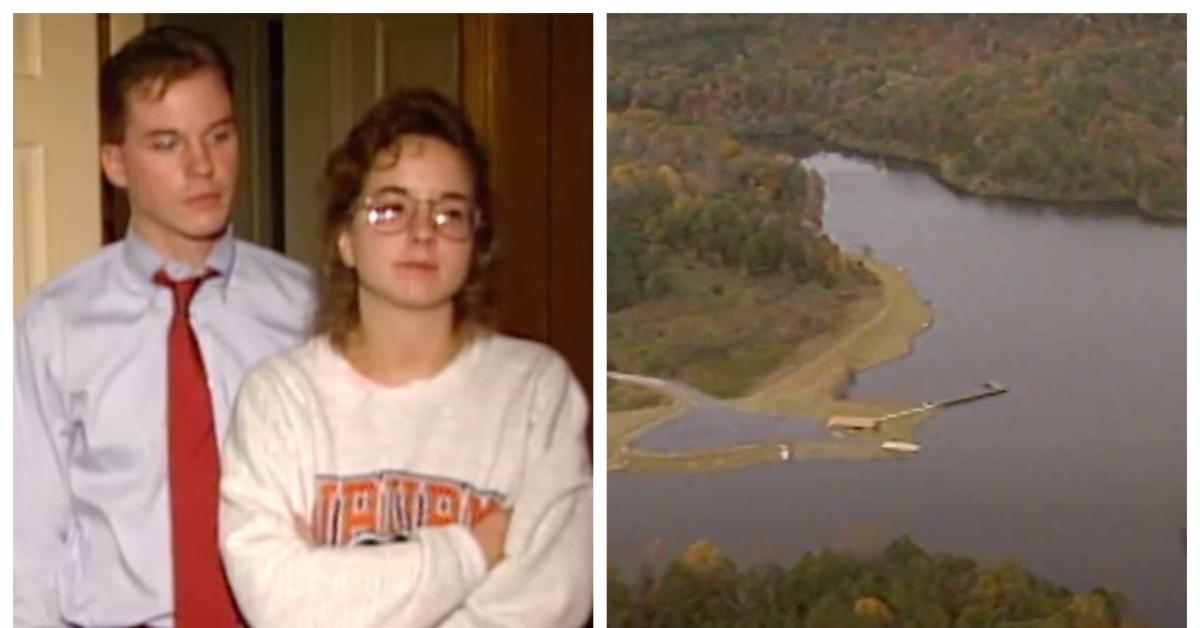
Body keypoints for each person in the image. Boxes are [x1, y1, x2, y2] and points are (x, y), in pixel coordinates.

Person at [219, 89, 592, 627]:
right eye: (390, 208)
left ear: (475, 241)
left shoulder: (535, 392)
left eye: (449, 213)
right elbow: (282, 606)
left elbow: (550, 601)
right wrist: (475, 549)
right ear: (345, 237)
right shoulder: (279, 399)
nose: (421, 233)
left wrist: (337, 583)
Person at [14, 26, 314, 628]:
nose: (203, 167)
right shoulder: (56, 326)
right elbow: (26, 544)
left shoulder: (307, 308)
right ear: (115, 163)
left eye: (219, 135)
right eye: (167, 143)